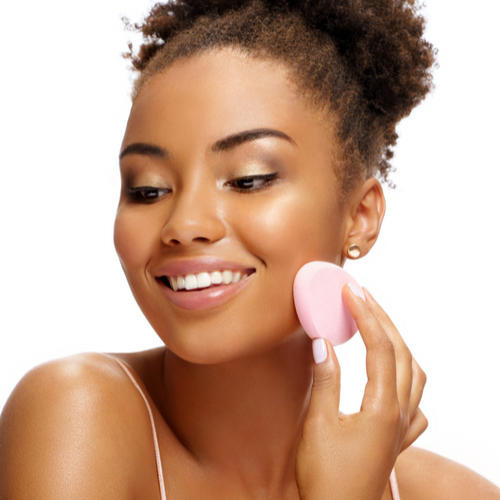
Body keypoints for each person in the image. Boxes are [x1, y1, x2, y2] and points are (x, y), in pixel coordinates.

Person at [0, 0, 499, 498]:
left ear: (360, 217)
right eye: (147, 189)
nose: (184, 225)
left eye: (248, 179)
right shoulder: (75, 414)